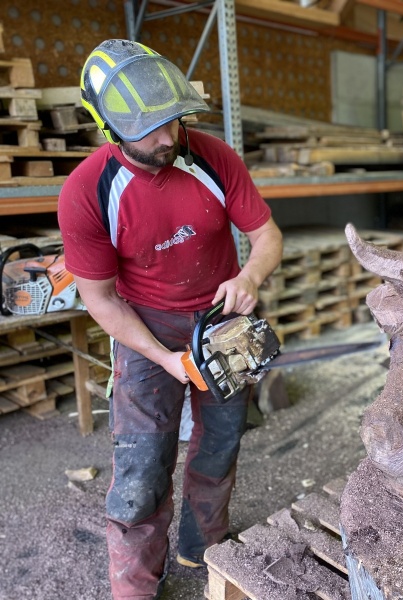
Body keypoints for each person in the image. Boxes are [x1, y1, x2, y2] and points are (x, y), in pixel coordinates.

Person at [57, 39, 283, 599]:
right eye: (150, 130)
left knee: (220, 444)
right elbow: (101, 299)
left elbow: (266, 236)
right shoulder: (87, 191)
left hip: (221, 318)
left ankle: (203, 548)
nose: (167, 138)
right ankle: (135, 585)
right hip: (145, 327)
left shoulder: (212, 157)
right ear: (110, 128)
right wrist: (163, 358)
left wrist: (249, 278)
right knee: (142, 464)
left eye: (173, 121)